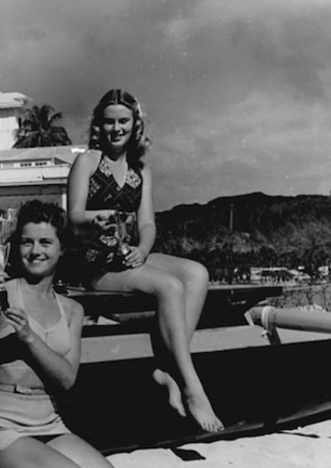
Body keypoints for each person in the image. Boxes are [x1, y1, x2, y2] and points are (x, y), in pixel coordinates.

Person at [67, 89, 224, 433]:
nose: (116, 128)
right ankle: (192, 386)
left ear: (134, 124)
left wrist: (143, 248)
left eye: (123, 121)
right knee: (169, 286)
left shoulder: (141, 170)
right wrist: (95, 220)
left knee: (196, 274)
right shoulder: (88, 162)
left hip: (129, 256)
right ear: (98, 125)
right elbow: (73, 216)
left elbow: (148, 224)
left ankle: (168, 369)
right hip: (94, 263)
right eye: (108, 122)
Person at [0, 200, 114, 468]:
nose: (35, 251)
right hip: (2, 424)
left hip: (50, 421)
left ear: (62, 248)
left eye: (45, 242)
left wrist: (29, 338)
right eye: (26, 242)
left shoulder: (72, 309)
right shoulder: (2, 293)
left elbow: (67, 379)